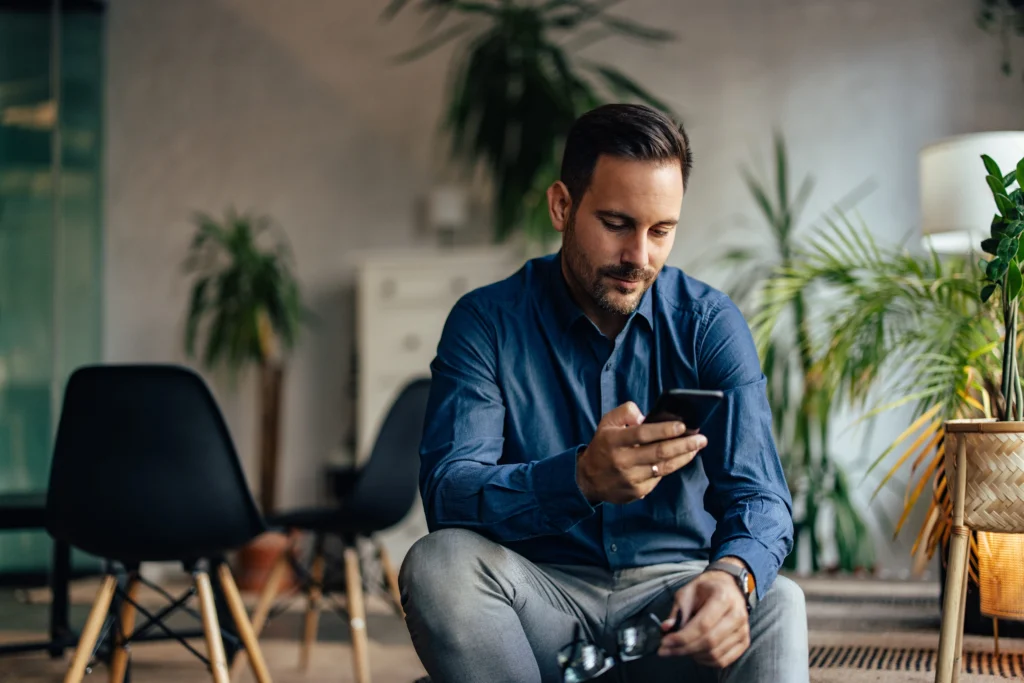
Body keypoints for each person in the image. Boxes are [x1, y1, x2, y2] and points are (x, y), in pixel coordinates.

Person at [399, 103, 808, 683]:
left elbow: (762, 497)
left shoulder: (709, 322)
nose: (639, 257)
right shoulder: (486, 321)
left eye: (661, 231)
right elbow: (449, 493)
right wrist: (580, 479)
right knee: (437, 566)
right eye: (617, 224)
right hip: (539, 607)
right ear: (562, 205)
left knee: (778, 604)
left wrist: (730, 577)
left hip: (672, 609)